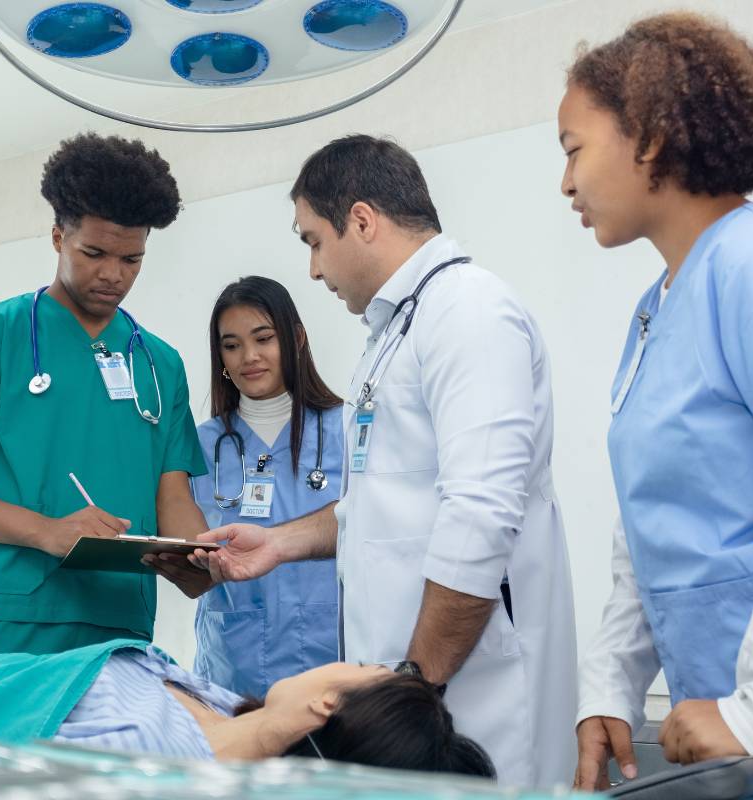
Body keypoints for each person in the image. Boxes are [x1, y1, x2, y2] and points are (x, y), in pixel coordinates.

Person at [558, 13, 753, 797]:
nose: (565, 183)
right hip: (724, 726)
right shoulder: (657, 309)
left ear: (650, 137)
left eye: (573, 149)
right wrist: (610, 686)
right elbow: (650, 530)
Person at [191, 136, 577, 787]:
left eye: (315, 241)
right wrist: (279, 543)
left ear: (363, 221)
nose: (313, 269)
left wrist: (415, 689)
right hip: (407, 701)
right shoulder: (394, 333)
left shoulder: (467, 311)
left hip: (466, 697)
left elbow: (480, 516)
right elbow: (374, 508)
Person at [0, 133, 208, 657]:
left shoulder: (161, 363)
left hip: (119, 629)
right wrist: (46, 532)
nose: (112, 274)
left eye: (131, 259)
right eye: (94, 253)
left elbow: (173, 496)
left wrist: (199, 558)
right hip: (4, 621)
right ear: (57, 237)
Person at [0, 638, 495, 778]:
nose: (348, 657)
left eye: (364, 668)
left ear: (327, 705)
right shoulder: (218, 705)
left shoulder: (143, 760)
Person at [148, 277, 343, 699]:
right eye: (232, 345)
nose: (249, 357)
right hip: (233, 671)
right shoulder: (198, 446)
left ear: (296, 338)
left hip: (334, 665)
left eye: (264, 338)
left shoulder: (348, 430)